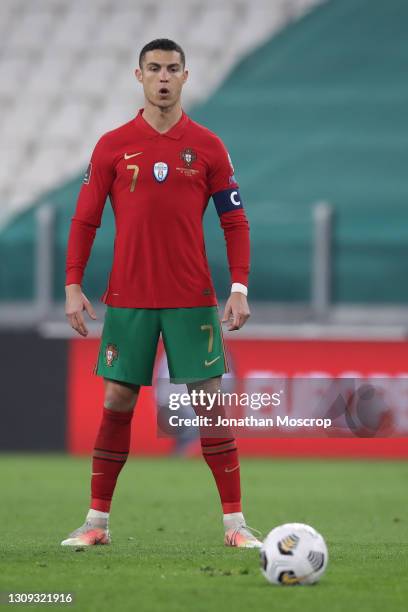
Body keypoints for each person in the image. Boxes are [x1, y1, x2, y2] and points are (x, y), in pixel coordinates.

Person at [62, 38, 260, 549]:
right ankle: (96, 524)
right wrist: (72, 283)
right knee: (118, 399)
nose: (164, 77)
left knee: (209, 403)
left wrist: (237, 286)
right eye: (155, 68)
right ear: (139, 75)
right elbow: (85, 219)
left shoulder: (209, 146)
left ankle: (235, 526)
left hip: (192, 296)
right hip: (128, 297)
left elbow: (234, 220)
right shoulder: (112, 144)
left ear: (186, 77)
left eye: (173, 68)